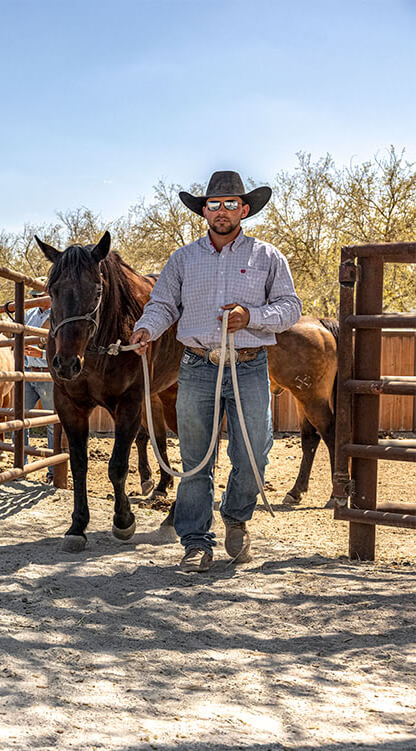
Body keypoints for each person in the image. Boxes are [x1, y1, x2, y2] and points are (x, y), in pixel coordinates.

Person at [129, 171, 302, 572]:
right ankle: (195, 541)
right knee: (194, 459)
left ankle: (237, 517)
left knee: (255, 453)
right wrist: (146, 329)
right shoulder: (183, 259)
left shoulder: (268, 256)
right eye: (213, 204)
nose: (221, 211)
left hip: (249, 365)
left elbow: (290, 307)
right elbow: (162, 305)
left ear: (244, 209)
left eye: (230, 204)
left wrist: (251, 316)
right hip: (197, 366)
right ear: (203, 210)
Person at [23, 279, 55, 477]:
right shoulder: (29, 314)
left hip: (46, 374)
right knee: (20, 419)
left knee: (51, 424)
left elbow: (61, 348)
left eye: (39, 296)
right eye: (34, 296)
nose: (36, 299)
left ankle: (52, 469)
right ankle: (21, 463)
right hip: (28, 371)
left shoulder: (58, 314)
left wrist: (41, 355)